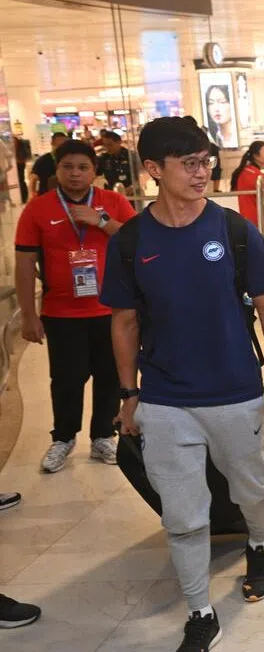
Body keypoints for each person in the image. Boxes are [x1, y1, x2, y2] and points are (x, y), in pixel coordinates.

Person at [101, 116, 264, 652]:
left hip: (235, 390)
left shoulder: (234, 231)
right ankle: (200, 610)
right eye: (188, 163)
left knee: (250, 486)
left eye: (206, 160)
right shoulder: (132, 241)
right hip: (165, 399)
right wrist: (129, 394)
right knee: (182, 513)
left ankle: (259, 543)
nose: (201, 171)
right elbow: (123, 321)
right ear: (153, 171)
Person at [15, 139, 136, 473]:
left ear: (94, 172)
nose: (75, 174)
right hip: (61, 312)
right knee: (66, 378)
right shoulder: (37, 209)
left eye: (83, 167)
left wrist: (101, 222)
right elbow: (24, 264)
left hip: (111, 311)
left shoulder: (112, 201)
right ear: (57, 170)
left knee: (110, 376)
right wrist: (28, 315)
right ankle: (64, 437)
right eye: (67, 166)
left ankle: (102, 437)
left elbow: (137, 241)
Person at [29, 132, 68, 197]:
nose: (60, 147)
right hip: (46, 195)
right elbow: (33, 178)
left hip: (64, 195)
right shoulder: (43, 160)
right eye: (57, 145)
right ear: (52, 143)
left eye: (63, 145)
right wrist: (31, 193)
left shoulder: (67, 159)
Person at [204, 84, 236, 150]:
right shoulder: (212, 137)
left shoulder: (240, 136)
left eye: (222, 102)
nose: (216, 109)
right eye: (211, 103)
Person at [13, 135, 30, 204]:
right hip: (16, 165)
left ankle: (24, 197)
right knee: (19, 181)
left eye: (14, 141)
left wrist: (18, 160)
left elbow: (24, 157)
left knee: (21, 180)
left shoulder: (21, 148)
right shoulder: (14, 148)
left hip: (20, 165)